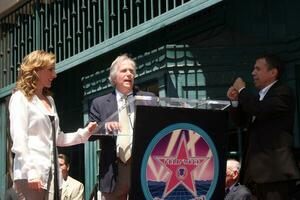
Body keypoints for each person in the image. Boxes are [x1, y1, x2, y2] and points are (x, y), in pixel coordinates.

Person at [9, 50, 97, 200]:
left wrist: (83, 134)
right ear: (36, 70)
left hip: (52, 176)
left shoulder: (50, 101)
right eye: (50, 69)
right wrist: (31, 171)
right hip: (30, 175)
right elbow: (19, 140)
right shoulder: (20, 98)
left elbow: (57, 138)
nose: (55, 74)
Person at [227, 54, 300, 200]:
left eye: (258, 69)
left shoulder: (283, 92)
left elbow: (259, 109)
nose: (253, 73)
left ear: (273, 72)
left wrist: (242, 90)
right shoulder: (258, 97)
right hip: (254, 176)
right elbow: (241, 122)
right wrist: (235, 102)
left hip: (275, 175)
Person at [88, 54, 156, 200]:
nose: (129, 74)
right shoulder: (99, 103)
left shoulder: (147, 99)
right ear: (114, 77)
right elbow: (89, 133)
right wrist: (105, 126)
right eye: (124, 71)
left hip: (143, 167)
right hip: (114, 170)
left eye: (131, 71)